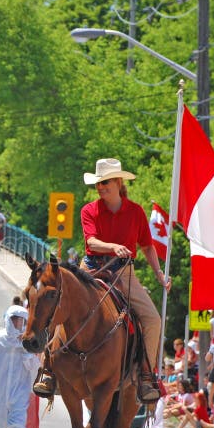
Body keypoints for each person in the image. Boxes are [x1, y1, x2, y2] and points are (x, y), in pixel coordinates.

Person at [34, 158, 170, 403]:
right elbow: (91, 243)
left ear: (119, 182)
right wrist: (113, 246)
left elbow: (148, 246)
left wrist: (159, 274)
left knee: (152, 319)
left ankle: (146, 377)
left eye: (105, 182)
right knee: (58, 305)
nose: (100, 187)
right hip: (92, 269)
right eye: (98, 183)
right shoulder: (90, 210)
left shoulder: (136, 211)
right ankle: (48, 370)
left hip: (123, 272)